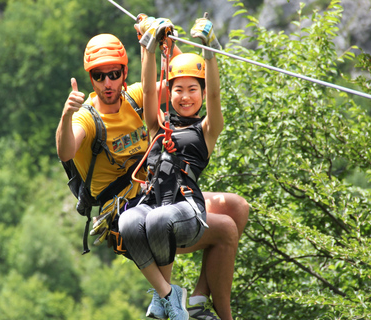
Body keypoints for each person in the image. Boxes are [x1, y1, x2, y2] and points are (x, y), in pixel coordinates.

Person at [56, 29, 248, 320]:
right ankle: (195, 305)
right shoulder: (87, 117)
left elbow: (185, 81)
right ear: (91, 78)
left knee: (237, 206)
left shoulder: (133, 99)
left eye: (113, 74)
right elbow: (66, 151)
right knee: (225, 229)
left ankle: (197, 297)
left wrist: (168, 43)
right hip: (126, 212)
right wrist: (66, 115)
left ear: (124, 72)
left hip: (156, 193)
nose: (107, 83)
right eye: (99, 76)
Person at [118, 16, 231, 320]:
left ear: (201, 93)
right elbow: (151, 94)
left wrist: (209, 53)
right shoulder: (158, 127)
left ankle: (163, 298)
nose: (184, 96)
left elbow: (217, 97)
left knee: (157, 219)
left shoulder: (206, 130)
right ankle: (167, 295)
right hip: (153, 203)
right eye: (178, 89)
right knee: (127, 222)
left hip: (188, 211)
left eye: (193, 89)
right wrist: (149, 47)